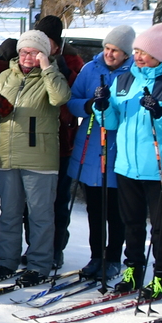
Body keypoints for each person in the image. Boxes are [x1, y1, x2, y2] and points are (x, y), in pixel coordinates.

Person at [98, 22, 162, 297]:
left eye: (144, 52)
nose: (138, 56)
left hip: (158, 168)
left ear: (160, 55)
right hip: (126, 166)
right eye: (136, 51)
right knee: (131, 223)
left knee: (161, 226)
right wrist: (102, 106)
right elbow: (112, 122)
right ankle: (133, 270)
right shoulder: (125, 79)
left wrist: (160, 112)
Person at [0, 29, 71, 285]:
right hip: (7, 155)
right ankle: (6, 262)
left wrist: (47, 69)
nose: (26, 56)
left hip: (39, 158)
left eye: (33, 52)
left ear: (44, 54)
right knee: (9, 213)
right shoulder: (4, 76)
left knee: (40, 215)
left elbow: (59, 98)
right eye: (23, 51)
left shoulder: (51, 76)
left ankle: (39, 265)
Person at [66, 25, 132, 281]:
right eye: (106, 48)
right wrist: (89, 105)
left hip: (118, 149)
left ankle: (113, 257)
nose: (109, 54)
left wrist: (112, 106)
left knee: (115, 211)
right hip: (91, 147)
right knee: (94, 209)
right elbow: (72, 101)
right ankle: (96, 256)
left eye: (115, 50)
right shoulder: (91, 69)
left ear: (126, 53)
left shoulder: (132, 73)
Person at [32, 15, 84, 270]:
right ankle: (36, 247)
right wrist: (0, 57)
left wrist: (61, 69)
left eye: (48, 41)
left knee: (57, 201)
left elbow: (71, 99)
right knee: (32, 203)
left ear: (56, 44)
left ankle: (55, 249)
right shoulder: (28, 55)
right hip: (34, 144)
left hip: (63, 143)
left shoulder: (71, 61)